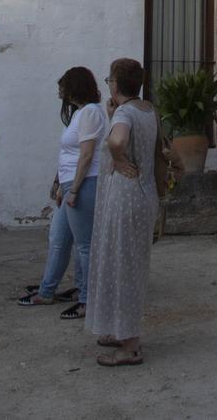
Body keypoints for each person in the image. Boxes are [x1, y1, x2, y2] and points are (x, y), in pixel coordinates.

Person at [86, 57, 161, 367]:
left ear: (116, 84)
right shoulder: (148, 110)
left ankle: (129, 346)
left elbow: (118, 140)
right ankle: (121, 330)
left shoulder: (127, 113)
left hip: (126, 196)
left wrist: (118, 158)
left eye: (109, 81)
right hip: (144, 194)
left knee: (122, 267)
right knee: (126, 265)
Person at [18, 67, 105, 316]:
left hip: (84, 184)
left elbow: (87, 154)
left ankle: (87, 300)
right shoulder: (80, 113)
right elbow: (70, 153)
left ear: (74, 87)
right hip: (71, 185)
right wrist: (60, 184)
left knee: (84, 245)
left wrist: (74, 189)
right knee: (58, 239)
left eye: (63, 87)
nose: (60, 93)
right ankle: (47, 291)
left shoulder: (89, 112)